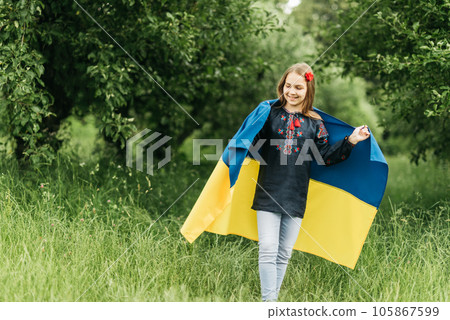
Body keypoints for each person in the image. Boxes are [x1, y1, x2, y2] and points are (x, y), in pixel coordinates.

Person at [250, 63, 371, 302]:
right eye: (288, 86)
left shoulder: (315, 123)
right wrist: (254, 128)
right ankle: (269, 304)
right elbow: (251, 145)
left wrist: (352, 140)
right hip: (269, 190)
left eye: (298, 87)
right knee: (267, 249)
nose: (292, 92)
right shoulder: (269, 114)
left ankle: (272, 305)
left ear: (308, 90)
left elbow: (325, 156)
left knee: (283, 253)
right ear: (281, 86)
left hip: (296, 193)